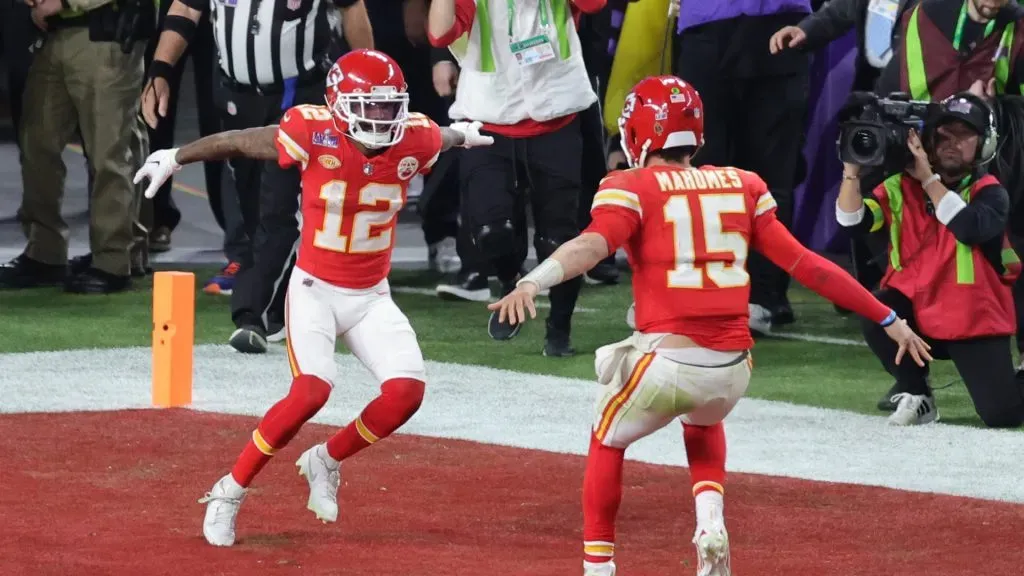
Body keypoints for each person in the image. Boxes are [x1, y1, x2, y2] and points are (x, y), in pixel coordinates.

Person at [489, 76, 931, 576]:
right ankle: (710, 521)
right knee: (702, 417)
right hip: (731, 370)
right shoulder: (743, 184)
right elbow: (808, 265)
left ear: (637, 134)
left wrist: (534, 281)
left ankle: (599, 567)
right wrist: (888, 316)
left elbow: (591, 245)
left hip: (669, 361)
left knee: (606, 438)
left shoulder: (629, 186)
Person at [133, 49, 493, 546]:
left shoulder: (417, 136)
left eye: (390, 107)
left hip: (371, 294)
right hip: (316, 289)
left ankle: (326, 459)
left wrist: (464, 134)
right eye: (370, 106)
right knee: (311, 391)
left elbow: (440, 135)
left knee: (407, 391)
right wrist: (177, 156)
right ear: (339, 104)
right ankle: (229, 490)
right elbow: (241, 141)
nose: (381, 118)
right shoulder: (310, 130)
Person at [142, 0, 373, 352]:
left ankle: (253, 315)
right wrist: (160, 69)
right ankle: (283, 304)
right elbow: (186, 10)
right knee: (253, 210)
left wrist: (368, 81)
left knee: (279, 209)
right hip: (236, 96)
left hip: (298, 95)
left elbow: (351, 9)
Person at [428, 0, 605, 357]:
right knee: (492, 232)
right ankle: (512, 279)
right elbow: (440, 32)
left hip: (557, 114)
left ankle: (559, 332)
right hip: (487, 118)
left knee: (558, 239)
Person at [837, 92, 1024, 427]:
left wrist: (928, 180)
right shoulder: (897, 187)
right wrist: (851, 172)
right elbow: (852, 222)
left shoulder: (990, 191)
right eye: (944, 135)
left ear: (984, 145)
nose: (952, 144)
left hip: (974, 321)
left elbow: (968, 227)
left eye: (965, 136)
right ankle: (916, 393)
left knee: (1002, 416)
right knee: (876, 306)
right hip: (919, 317)